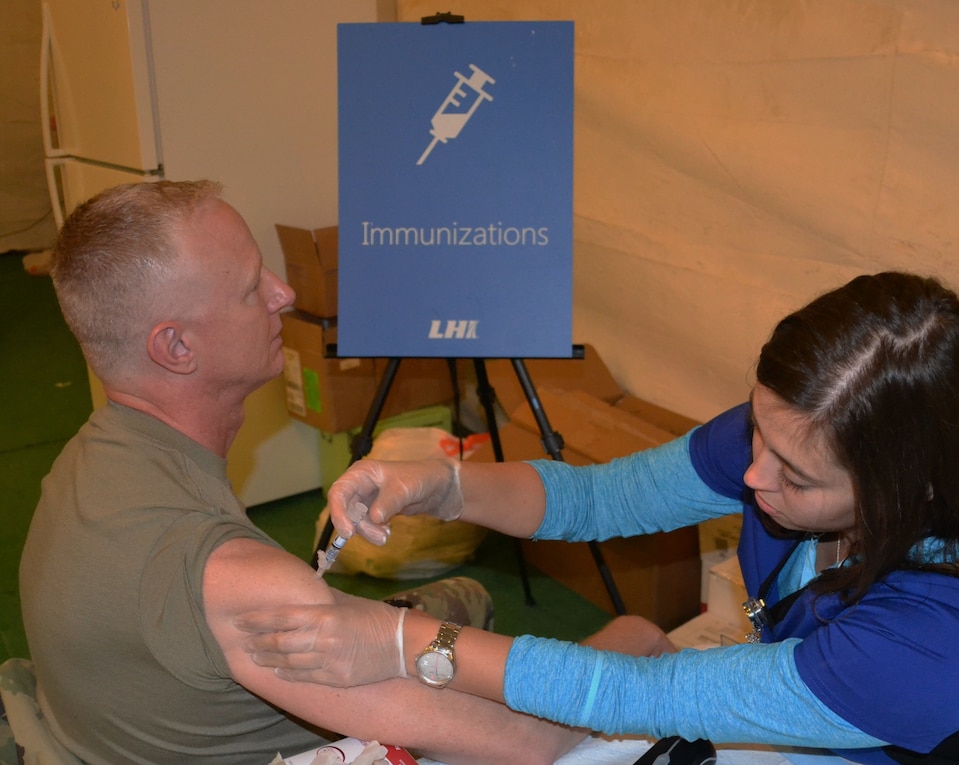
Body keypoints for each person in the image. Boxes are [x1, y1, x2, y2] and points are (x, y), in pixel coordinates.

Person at [239, 272, 959, 764]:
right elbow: (601, 499)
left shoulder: (941, 635)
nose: (751, 472)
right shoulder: (796, 427)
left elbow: (642, 693)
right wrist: (442, 487)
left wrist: (404, 645)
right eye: (759, 431)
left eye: (793, 473)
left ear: (910, 490)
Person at [19, 180, 663, 765]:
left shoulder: (86, 462)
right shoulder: (240, 582)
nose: (284, 293)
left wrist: (441, 491)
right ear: (176, 347)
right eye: (251, 288)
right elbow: (528, 742)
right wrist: (634, 645)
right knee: (631, 638)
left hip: (105, 731)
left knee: (467, 596)